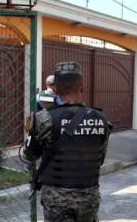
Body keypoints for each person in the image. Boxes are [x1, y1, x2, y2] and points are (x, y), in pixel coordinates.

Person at [24, 62, 111, 222]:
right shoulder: (101, 119)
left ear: (55, 89)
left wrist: (30, 131)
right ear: (82, 88)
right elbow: (101, 158)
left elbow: (30, 155)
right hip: (88, 198)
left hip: (57, 199)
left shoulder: (44, 119)